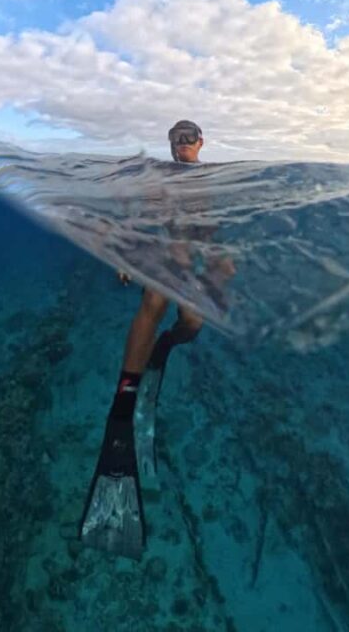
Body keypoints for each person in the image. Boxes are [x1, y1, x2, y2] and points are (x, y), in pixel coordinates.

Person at [79, 120, 234, 559]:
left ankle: (164, 348)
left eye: (188, 138)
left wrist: (222, 263)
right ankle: (124, 398)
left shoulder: (212, 182)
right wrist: (126, 253)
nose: (180, 144)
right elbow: (141, 219)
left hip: (192, 262)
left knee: (193, 326)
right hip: (162, 256)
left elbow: (214, 233)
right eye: (174, 138)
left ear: (202, 142)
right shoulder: (160, 180)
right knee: (154, 300)